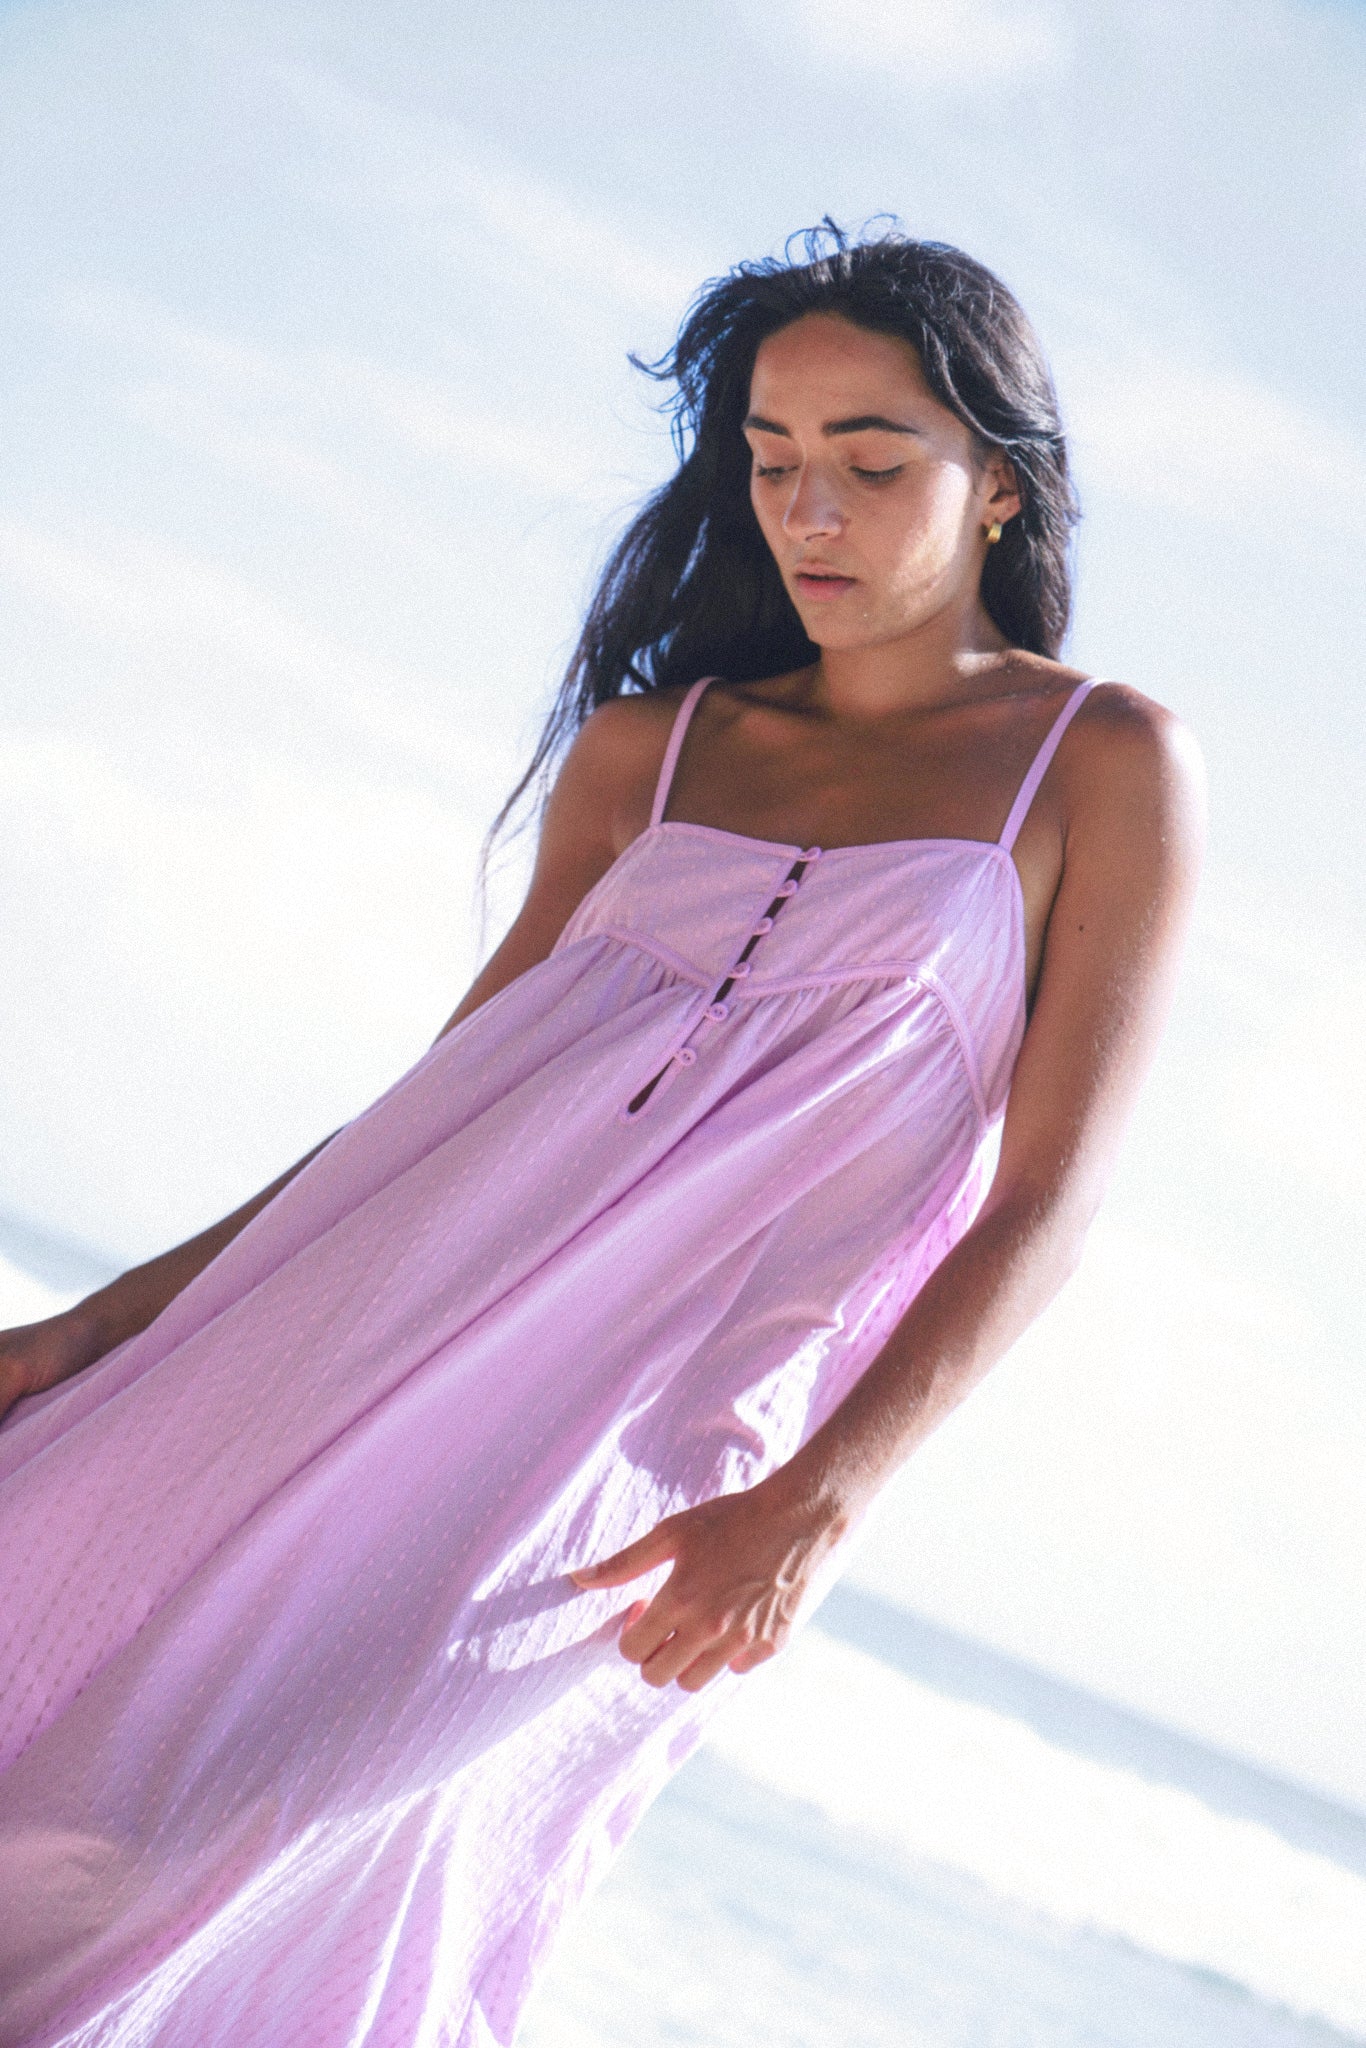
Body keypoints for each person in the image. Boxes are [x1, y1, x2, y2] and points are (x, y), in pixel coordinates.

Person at [0, 225, 1203, 2046]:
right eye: (771, 458)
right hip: (354, 1334)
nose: (809, 510)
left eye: (872, 463)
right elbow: (428, 1116)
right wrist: (100, 1326)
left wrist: (820, 1499)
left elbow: (1044, 1202)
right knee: (70, 1792)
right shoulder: (654, 748)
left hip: (649, 1452)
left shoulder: (1100, 766)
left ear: (1002, 491)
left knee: (260, 1846)